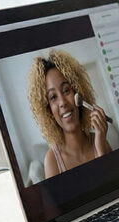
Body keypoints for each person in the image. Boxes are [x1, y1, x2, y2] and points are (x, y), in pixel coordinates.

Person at [27, 49, 111, 179]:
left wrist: (100, 148)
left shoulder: (101, 141)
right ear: (48, 110)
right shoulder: (52, 161)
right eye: (53, 97)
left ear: (79, 93)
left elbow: (118, 189)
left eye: (66, 91)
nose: (62, 102)